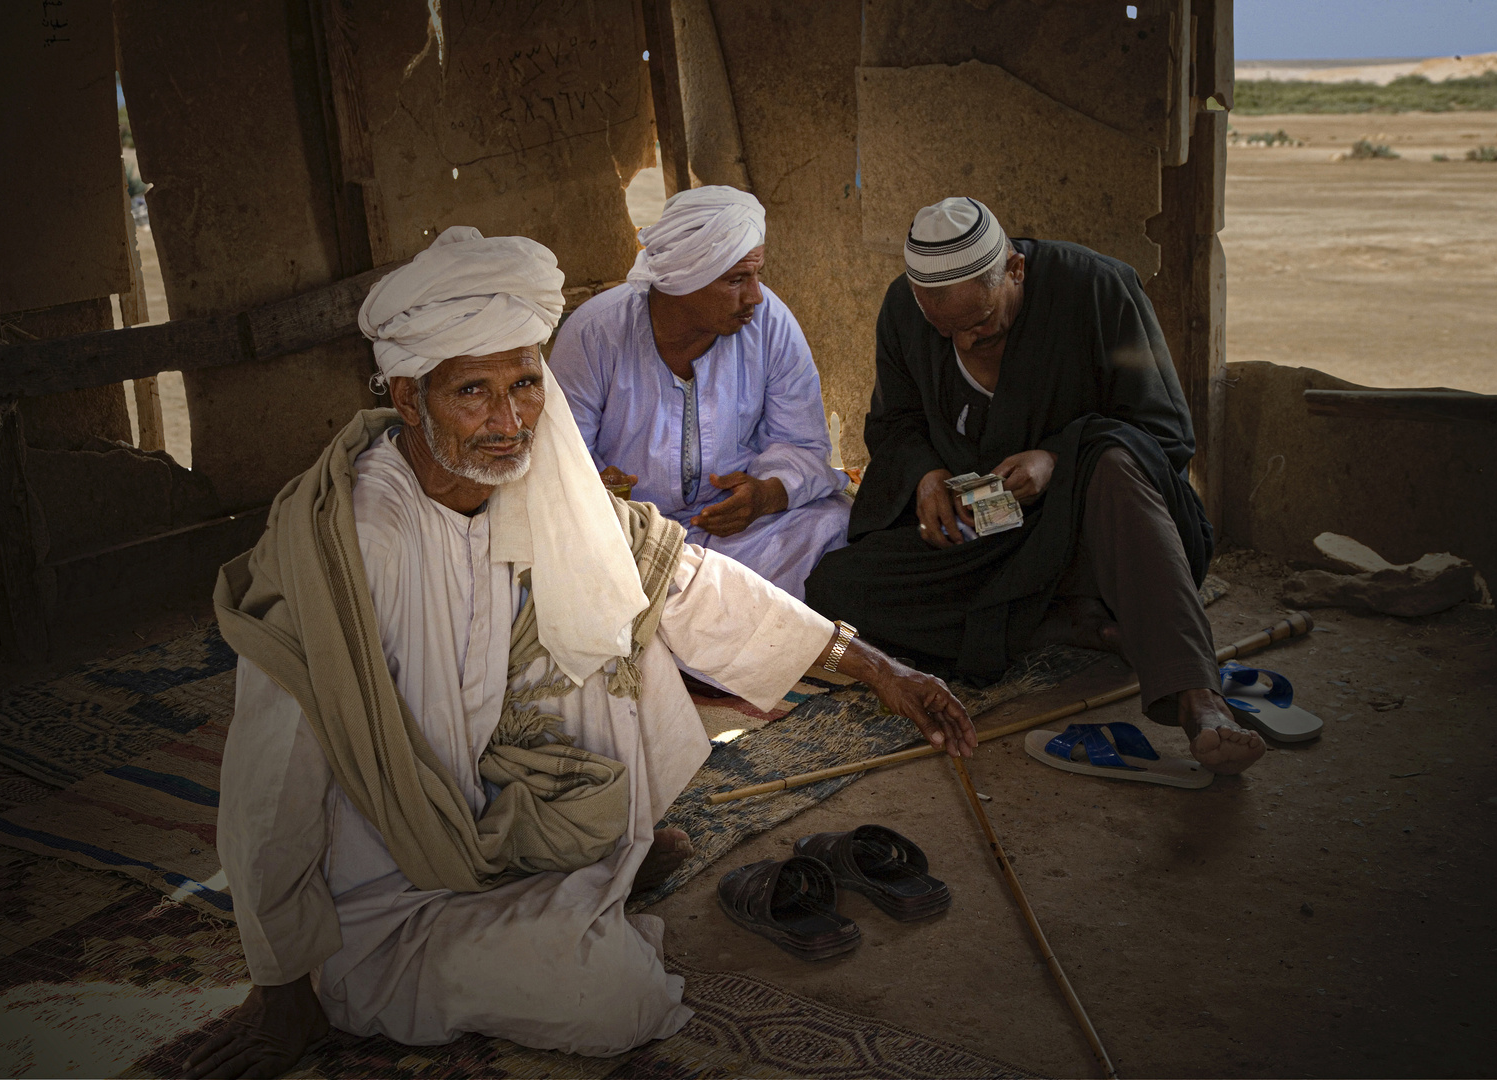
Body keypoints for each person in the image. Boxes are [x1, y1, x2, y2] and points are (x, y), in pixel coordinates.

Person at [188, 226, 974, 1079]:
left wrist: (875, 667)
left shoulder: (532, 478)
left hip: (503, 802)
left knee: (617, 602)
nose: (510, 420)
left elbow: (689, 582)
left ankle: (594, 861)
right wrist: (278, 978)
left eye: (526, 384)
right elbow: (271, 771)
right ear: (410, 397)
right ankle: (354, 973)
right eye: (474, 393)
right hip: (388, 880)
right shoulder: (347, 544)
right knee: (619, 1002)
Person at [804, 197, 1263, 775]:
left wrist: (1058, 459)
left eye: (980, 325)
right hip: (990, 542)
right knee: (835, 589)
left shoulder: (1100, 291)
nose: (966, 344)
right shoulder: (903, 309)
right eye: (947, 332)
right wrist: (926, 476)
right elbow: (894, 423)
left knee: (1113, 463)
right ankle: (1078, 624)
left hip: (1099, 529)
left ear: (1014, 270)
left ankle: (1199, 698)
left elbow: (1165, 434)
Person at [550, 186, 850, 601]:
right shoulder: (594, 334)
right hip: (633, 536)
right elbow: (561, 458)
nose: (755, 296)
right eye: (736, 280)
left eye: (757, 275)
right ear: (682, 282)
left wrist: (765, 495)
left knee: (833, 522)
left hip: (744, 536)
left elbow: (801, 442)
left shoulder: (769, 322)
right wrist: (601, 488)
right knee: (585, 579)